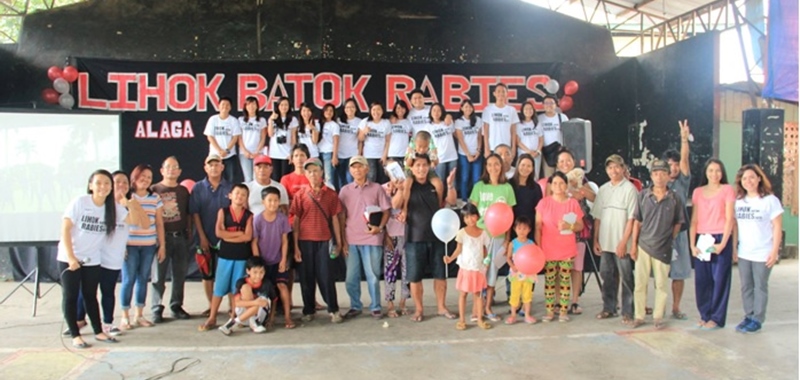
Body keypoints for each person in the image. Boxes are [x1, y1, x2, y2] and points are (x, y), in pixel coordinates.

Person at [58, 169, 129, 348]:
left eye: (107, 183)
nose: (103, 187)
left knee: (90, 295)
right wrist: (71, 258)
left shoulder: (112, 209)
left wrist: (130, 203)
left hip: (93, 259)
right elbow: (65, 229)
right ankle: (75, 334)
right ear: (91, 186)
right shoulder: (80, 202)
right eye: (98, 183)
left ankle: (99, 332)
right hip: (70, 258)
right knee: (71, 296)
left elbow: (137, 221)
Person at [73, 171, 147, 337]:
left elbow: (138, 222)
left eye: (125, 183)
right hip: (91, 255)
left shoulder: (124, 206)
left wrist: (131, 205)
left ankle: (107, 323)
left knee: (107, 291)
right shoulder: (95, 204)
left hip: (112, 258)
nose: (121, 186)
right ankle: (78, 320)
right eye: (117, 182)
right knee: (85, 292)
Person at [401, 153, 458, 322]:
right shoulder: (407, 186)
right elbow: (396, 204)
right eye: (417, 165)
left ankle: (441, 307)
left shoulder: (436, 184)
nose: (421, 168)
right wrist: (398, 188)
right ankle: (419, 309)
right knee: (414, 276)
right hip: (414, 237)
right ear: (412, 168)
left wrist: (450, 184)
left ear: (429, 166)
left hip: (438, 237)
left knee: (440, 275)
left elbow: (452, 201)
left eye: (424, 165)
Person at [630, 160, 684, 329]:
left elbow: (678, 222)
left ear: (669, 176)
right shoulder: (644, 195)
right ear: (651, 176)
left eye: (663, 173)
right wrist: (633, 245)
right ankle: (639, 316)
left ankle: (658, 316)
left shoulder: (674, 198)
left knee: (661, 284)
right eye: (655, 173)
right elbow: (637, 221)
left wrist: (670, 238)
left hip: (663, 248)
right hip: (644, 245)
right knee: (640, 283)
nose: (659, 177)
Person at [290, 157, 345, 323]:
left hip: (324, 240)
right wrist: (296, 246)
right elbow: (296, 221)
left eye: (316, 170)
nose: (313, 174)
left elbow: (335, 218)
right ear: (305, 174)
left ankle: (333, 309)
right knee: (306, 277)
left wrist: (339, 241)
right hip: (305, 241)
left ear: (322, 172)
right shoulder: (300, 195)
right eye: (309, 171)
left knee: (326, 276)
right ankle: (309, 310)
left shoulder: (331, 194)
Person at [339, 156, 391, 319]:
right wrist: (343, 240)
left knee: (373, 275)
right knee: (351, 277)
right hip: (351, 238)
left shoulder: (377, 188)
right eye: (353, 167)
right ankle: (355, 305)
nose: (357, 170)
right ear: (350, 170)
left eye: (360, 167)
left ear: (367, 169)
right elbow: (341, 216)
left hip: (372, 238)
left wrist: (380, 228)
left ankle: (375, 306)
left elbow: (386, 211)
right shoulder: (345, 191)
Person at [733, 164, 783, 333]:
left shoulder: (770, 200)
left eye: (752, 177)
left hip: (763, 252)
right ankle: (748, 315)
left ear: (759, 178)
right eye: (745, 178)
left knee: (760, 286)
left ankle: (757, 319)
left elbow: (777, 227)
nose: (748, 181)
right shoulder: (739, 202)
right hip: (744, 252)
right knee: (746, 286)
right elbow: (735, 227)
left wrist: (774, 251)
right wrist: (734, 249)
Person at [547, 149, 596, 315]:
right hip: (557, 230)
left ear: (573, 162)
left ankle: (575, 300)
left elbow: (593, 197)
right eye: (561, 161)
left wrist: (579, 189)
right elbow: (547, 202)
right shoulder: (553, 181)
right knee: (557, 266)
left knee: (576, 266)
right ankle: (558, 300)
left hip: (577, 230)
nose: (565, 164)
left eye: (568, 160)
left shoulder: (581, 178)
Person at [469, 153, 517, 321]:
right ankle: (477, 308)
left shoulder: (507, 188)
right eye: (489, 164)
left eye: (496, 164)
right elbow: (471, 212)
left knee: (492, 273)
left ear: (501, 166)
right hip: (481, 236)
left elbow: (510, 217)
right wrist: (473, 235)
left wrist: (507, 239)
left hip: (498, 237)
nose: (493, 167)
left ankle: (488, 307)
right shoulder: (479, 186)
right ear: (486, 167)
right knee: (478, 272)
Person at [200, 184, 254, 331]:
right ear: (230, 195)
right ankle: (212, 317)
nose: (239, 197)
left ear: (246, 198)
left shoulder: (249, 215)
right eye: (237, 193)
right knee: (219, 288)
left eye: (243, 194)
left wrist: (228, 236)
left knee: (236, 289)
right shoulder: (223, 212)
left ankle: (233, 318)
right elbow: (219, 233)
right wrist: (238, 235)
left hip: (242, 256)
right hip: (225, 255)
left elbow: (248, 236)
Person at [690, 158, 735, 330]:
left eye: (717, 170)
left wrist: (723, 243)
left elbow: (730, 219)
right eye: (710, 170)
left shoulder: (727, 190)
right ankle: (705, 314)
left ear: (722, 173)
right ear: (705, 172)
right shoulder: (698, 192)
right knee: (702, 280)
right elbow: (694, 220)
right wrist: (692, 245)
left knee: (720, 279)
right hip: (702, 238)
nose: (714, 174)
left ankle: (716, 318)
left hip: (720, 237)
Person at [592, 154, 638, 324]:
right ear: (606, 170)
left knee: (626, 277)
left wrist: (624, 242)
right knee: (607, 275)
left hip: (621, 244)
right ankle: (609, 307)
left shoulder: (630, 190)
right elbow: (598, 217)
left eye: (617, 166)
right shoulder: (603, 189)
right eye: (610, 167)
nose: (614, 170)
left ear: (623, 168)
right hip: (605, 243)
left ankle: (628, 311)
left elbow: (631, 219)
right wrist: (596, 240)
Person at [120, 164, 165, 330]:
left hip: (148, 245)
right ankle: (125, 316)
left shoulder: (155, 198)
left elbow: (159, 223)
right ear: (134, 177)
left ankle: (139, 314)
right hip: (130, 246)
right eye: (142, 176)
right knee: (128, 280)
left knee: (143, 280)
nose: (145, 180)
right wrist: (121, 246)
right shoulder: (127, 197)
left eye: (149, 177)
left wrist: (162, 246)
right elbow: (119, 224)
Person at [535, 172, 583, 322]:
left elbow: (580, 225)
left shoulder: (572, 203)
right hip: (548, 248)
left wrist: (570, 225)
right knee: (549, 280)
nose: (558, 186)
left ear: (566, 185)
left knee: (564, 280)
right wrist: (538, 247)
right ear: (550, 185)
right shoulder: (543, 203)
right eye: (555, 183)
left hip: (566, 249)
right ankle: (550, 311)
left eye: (561, 183)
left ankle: (563, 311)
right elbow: (538, 227)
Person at [150, 157, 193, 323]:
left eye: (175, 167)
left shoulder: (183, 191)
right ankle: (156, 308)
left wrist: (189, 231)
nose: (171, 170)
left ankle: (176, 306)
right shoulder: (154, 189)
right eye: (168, 167)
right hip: (161, 239)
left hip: (180, 237)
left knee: (179, 274)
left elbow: (188, 213)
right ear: (161, 170)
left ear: (180, 172)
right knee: (158, 276)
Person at [190, 154, 233, 316]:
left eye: (217, 165)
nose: (214, 168)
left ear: (222, 167)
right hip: (205, 237)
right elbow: (195, 214)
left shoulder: (230, 187)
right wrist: (202, 237)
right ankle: (211, 305)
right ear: (205, 167)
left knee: (227, 273)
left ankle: (231, 306)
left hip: (226, 239)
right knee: (207, 274)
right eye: (211, 165)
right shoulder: (198, 188)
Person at [251, 187, 294, 329]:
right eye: (269, 200)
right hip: (263, 263)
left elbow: (285, 241)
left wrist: (283, 260)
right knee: (268, 291)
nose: (273, 203)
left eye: (276, 200)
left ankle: (288, 317)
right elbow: (254, 242)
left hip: (278, 261)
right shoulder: (257, 219)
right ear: (263, 201)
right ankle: (270, 317)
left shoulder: (282, 219)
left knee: (282, 286)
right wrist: (258, 263)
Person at [444, 204, 492, 331]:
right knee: (463, 294)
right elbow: (458, 250)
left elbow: (486, 249)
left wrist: (486, 261)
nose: (470, 219)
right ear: (463, 219)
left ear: (477, 216)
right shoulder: (462, 233)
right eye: (466, 217)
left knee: (478, 295)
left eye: (472, 216)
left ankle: (480, 319)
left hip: (478, 269)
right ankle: (462, 320)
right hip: (466, 268)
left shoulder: (483, 233)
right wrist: (450, 258)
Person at [663, 119, 693, 320]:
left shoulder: (682, 182)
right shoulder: (657, 183)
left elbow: (684, 159)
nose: (673, 168)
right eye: (669, 165)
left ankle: (675, 307)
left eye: (675, 165)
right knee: (658, 275)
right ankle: (656, 307)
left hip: (680, 235)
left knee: (679, 274)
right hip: (660, 235)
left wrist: (684, 139)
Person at [218, 256, 276, 335]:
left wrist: (271, 319)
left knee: (263, 300)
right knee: (246, 288)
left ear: (265, 272)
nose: (258, 275)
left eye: (261, 272)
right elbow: (237, 303)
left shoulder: (267, 283)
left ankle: (233, 323)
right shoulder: (241, 282)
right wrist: (256, 302)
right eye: (255, 272)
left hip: (259, 318)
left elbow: (274, 300)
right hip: (243, 316)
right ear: (248, 271)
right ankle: (252, 321)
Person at [382, 170, 409, 318]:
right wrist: (385, 235)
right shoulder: (382, 189)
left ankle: (403, 302)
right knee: (390, 271)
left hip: (407, 235)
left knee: (407, 271)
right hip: (391, 236)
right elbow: (380, 214)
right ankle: (390, 303)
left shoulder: (408, 187)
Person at [505, 216, 538, 325]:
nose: (522, 231)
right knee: (515, 294)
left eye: (525, 228)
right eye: (519, 228)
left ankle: (527, 314)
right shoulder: (512, 243)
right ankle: (513, 315)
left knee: (527, 294)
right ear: (515, 229)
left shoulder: (531, 243)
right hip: (516, 274)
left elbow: (534, 258)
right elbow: (508, 257)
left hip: (528, 274)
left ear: (529, 229)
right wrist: (512, 266)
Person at [204, 96, 242, 183]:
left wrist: (227, 150)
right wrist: (219, 150)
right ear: (218, 106)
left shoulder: (233, 120)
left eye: (227, 105)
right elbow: (210, 136)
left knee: (230, 179)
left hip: (230, 155)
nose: (225, 107)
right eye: (223, 104)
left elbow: (235, 137)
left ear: (230, 107)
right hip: (215, 155)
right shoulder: (213, 119)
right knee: (213, 179)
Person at [454, 99, 483, 201]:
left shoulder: (478, 120)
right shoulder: (458, 122)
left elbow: (479, 137)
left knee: (476, 179)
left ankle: (475, 200)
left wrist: (478, 151)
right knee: (464, 178)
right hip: (464, 155)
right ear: (461, 108)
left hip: (476, 154)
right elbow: (460, 139)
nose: (468, 109)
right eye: (465, 107)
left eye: (470, 106)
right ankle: (464, 200)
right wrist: (468, 155)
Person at [357, 102, 391, 183]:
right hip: (369, 155)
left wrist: (384, 155)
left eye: (378, 109)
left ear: (382, 111)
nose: (376, 112)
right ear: (370, 111)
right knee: (371, 177)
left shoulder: (386, 123)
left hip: (381, 155)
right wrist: (364, 132)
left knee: (383, 178)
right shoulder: (365, 122)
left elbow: (387, 141)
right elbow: (360, 139)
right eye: (374, 109)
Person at [482, 83, 519, 158]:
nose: (501, 93)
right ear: (494, 93)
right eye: (498, 91)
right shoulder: (488, 109)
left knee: (506, 169)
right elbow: (485, 131)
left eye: (503, 91)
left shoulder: (511, 110)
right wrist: (486, 148)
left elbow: (513, 131)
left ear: (506, 94)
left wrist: (513, 147)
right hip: (492, 147)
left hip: (506, 147)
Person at [267, 96, 298, 180]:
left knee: (285, 178)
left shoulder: (293, 119)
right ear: (278, 106)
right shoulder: (273, 118)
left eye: (286, 105)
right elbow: (270, 134)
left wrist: (292, 153)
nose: (284, 107)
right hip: (275, 153)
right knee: (275, 178)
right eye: (281, 105)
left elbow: (293, 137)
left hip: (287, 153)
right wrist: (271, 121)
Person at [237, 96, 268, 183]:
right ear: (245, 107)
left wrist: (257, 151)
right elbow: (239, 137)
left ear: (257, 106)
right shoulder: (240, 120)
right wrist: (245, 151)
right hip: (244, 153)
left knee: (257, 178)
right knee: (248, 178)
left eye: (254, 104)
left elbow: (263, 137)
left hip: (258, 152)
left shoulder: (262, 120)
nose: (251, 106)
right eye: (249, 104)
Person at [426, 103, 458, 185]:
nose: (436, 113)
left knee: (453, 181)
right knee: (440, 181)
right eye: (434, 110)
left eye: (438, 110)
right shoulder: (428, 127)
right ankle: (440, 198)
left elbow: (455, 134)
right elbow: (429, 146)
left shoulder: (447, 122)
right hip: (439, 158)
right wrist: (432, 159)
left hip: (452, 156)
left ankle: (451, 198)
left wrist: (449, 117)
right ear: (430, 112)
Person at [538, 95, 569, 178]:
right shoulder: (539, 119)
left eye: (551, 103)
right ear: (543, 105)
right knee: (549, 178)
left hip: (560, 151)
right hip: (546, 153)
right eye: (546, 103)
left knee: (562, 177)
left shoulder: (562, 117)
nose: (549, 105)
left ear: (556, 104)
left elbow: (568, 135)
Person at [334, 98, 361, 190]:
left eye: (352, 107)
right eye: (347, 107)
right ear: (344, 109)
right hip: (340, 154)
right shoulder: (338, 121)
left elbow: (360, 140)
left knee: (350, 179)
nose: (350, 109)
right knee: (340, 180)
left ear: (356, 108)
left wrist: (359, 154)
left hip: (352, 154)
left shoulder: (360, 121)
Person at [516, 101, 544, 179]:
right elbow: (517, 141)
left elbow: (541, 139)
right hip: (523, 154)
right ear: (522, 111)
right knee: (523, 175)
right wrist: (528, 151)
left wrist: (538, 151)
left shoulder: (537, 123)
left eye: (530, 109)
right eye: (526, 109)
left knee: (535, 176)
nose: (528, 111)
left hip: (536, 155)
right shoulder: (519, 124)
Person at [318, 103, 341, 188]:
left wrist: (334, 156)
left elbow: (336, 141)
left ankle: (330, 198)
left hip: (329, 153)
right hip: (318, 152)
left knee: (329, 178)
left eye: (331, 111)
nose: (329, 112)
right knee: (318, 177)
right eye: (327, 110)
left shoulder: (334, 125)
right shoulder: (318, 123)